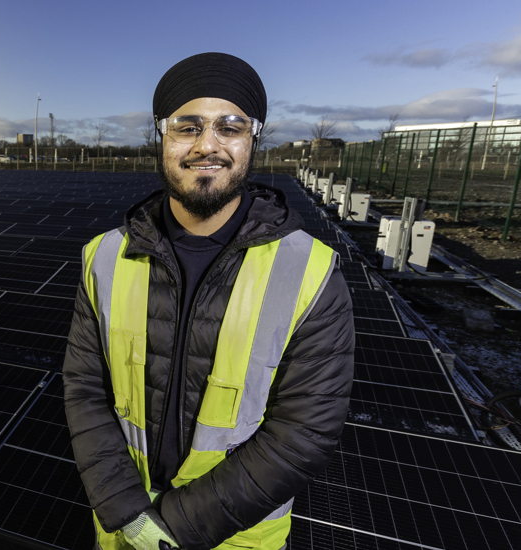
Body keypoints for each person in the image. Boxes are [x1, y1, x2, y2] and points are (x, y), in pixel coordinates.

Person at [62, 52, 354, 550]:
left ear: (253, 138)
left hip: (237, 536)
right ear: (162, 136)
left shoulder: (311, 272)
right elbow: (84, 390)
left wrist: (175, 529)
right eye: (187, 126)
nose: (207, 145)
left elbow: (305, 431)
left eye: (230, 126)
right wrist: (125, 512)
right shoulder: (104, 256)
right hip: (121, 528)